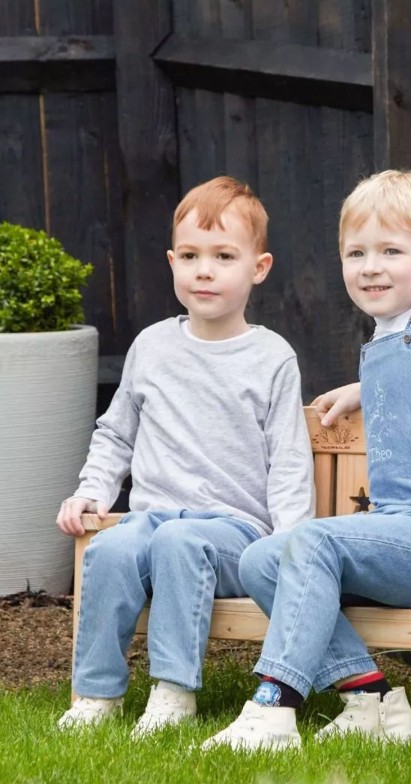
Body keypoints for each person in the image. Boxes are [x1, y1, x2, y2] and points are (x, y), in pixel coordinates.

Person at [201, 169, 411, 751]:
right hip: (399, 536)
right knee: (262, 560)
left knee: (310, 543)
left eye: (391, 250)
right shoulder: (388, 338)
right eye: (355, 252)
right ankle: (372, 702)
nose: (370, 267)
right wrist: (363, 389)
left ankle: (274, 710)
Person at [56, 176, 314, 737]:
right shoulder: (151, 347)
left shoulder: (271, 357)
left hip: (234, 533)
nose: (205, 270)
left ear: (259, 267)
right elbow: (116, 434)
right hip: (151, 520)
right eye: (191, 256)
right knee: (111, 549)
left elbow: (290, 459)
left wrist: (291, 542)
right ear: (172, 262)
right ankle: (96, 696)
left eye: (224, 256)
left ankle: (173, 693)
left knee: (181, 542)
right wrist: (92, 492)